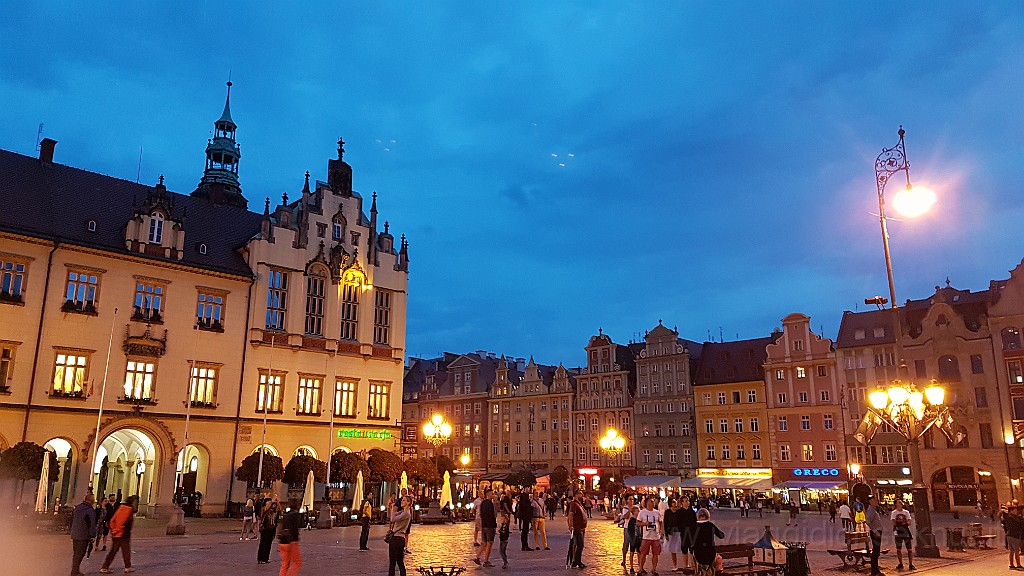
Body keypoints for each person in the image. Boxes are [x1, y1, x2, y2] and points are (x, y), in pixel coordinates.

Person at [99, 495, 136, 574]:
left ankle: (105, 567)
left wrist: (113, 530)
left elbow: (113, 519)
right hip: (124, 534)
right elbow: (128, 523)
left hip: (116, 533)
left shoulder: (121, 508)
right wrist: (121, 529)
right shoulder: (129, 510)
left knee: (113, 551)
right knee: (126, 551)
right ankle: (127, 567)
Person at [692, 508, 725, 576]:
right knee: (711, 570)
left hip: (698, 554)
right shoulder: (710, 525)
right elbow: (721, 535)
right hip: (710, 554)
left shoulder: (694, 526)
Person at [70, 493, 97, 576]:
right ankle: (74, 572)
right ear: (91, 500)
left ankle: (76, 570)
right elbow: (92, 524)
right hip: (83, 535)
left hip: (75, 534)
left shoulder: (77, 508)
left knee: (76, 554)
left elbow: (72, 520)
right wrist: (92, 535)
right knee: (80, 554)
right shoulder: (90, 510)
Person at [636, 496, 663, 576]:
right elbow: (637, 523)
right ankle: (641, 568)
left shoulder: (657, 512)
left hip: (655, 536)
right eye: (651, 501)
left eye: (653, 501)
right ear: (647, 503)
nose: (653, 503)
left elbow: (660, 522)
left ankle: (654, 569)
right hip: (646, 536)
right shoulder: (642, 512)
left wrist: (660, 531)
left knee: (656, 554)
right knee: (643, 553)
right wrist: (645, 524)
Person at [387, 495, 412, 576]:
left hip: (397, 538)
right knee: (400, 561)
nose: (402, 502)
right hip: (401, 539)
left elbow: (392, 519)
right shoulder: (403, 512)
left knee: (393, 563)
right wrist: (391, 508)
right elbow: (393, 515)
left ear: (408, 503)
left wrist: (393, 508)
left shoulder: (406, 513)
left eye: (404, 500)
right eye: (402, 500)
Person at [277, 498, 302, 576]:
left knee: (285, 563)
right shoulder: (295, 515)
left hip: (282, 541)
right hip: (291, 541)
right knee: (297, 562)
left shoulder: (286, 515)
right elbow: (295, 529)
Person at [474, 488, 498, 567]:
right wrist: (494, 525)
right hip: (489, 526)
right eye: (492, 494)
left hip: (484, 525)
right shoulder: (490, 503)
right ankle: (486, 561)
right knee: (489, 543)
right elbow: (492, 515)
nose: (493, 495)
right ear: (488, 494)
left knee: (483, 543)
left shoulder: (482, 503)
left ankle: (477, 557)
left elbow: (481, 514)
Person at [890, 500, 915, 571]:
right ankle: (900, 563)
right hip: (898, 531)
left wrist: (904, 524)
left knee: (909, 549)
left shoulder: (906, 512)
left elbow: (909, 521)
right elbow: (893, 523)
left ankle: (911, 564)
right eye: (899, 502)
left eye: (901, 502)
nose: (901, 503)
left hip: (905, 531)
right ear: (896, 504)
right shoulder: (894, 513)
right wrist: (903, 523)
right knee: (898, 548)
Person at [567, 490, 588, 569]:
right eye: (580, 493)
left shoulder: (579, 504)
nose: (582, 495)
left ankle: (576, 561)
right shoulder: (573, 504)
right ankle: (576, 561)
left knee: (579, 545)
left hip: (582, 527)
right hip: (577, 528)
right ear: (576, 495)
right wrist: (571, 525)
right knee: (580, 545)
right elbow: (571, 515)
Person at [864, 496, 884, 576]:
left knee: (876, 551)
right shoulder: (871, 510)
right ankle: (874, 571)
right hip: (876, 532)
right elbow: (868, 521)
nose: (876, 501)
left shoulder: (873, 509)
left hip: (877, 531)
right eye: (874, 500)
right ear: (870, 501)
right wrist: (875, 530)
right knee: (876, 552)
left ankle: (875, 570)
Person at [258, 496, 280, 564]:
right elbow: (266, 509)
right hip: (265, 528)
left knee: (269, 544)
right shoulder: (264, 509)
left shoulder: (273, 510)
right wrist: (272, 501)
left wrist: (277, 502)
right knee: (263, 543)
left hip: (271, 528)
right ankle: (261, 558)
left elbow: (278, 509)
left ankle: (266, 558)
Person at [679, 496, 698, 574]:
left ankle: (693, 566)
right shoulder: (680, 512)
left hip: (692, 533)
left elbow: (695, 522)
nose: (688, 502)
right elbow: (678, 523)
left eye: (688, 501)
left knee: (692, 549)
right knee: (684, 549)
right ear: (682, 502)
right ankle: (686, 565)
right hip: (684, 533)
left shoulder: (692, 511)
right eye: (686, 501)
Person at [664, 497, 683, 572]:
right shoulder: (668, 512)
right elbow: (665, 523)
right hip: (670, 532)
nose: (675, 504)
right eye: (673, 502)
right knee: (672, 549)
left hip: (678, 531)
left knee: (679, 548)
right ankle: (675, 565)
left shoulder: (679, 512)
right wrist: (665, 533)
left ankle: (684, 564)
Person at [618, 495, 636, 567]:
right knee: (626, 544)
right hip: (627, 528)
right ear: (627, 500)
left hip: (634, 527)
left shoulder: (636, 508)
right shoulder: (625, 508)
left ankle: (633, 562)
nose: (631, 501)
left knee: (634, 544)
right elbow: (625, 517)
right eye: (630, 499)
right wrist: (629, 510)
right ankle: (624, 560)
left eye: (632, 499)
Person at [1005, 505, 1023, 571]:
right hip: (1014, 535)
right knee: (1016, 551)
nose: (1016, 511)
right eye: (1015, 510)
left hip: (1010, 535)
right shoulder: (1011, 518)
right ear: (1011, 511)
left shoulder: (1010, 517)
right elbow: (1019, 523)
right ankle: (1018, 565)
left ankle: (1011, 564)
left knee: (1012, 551)